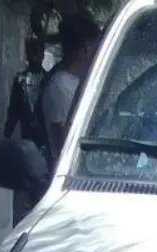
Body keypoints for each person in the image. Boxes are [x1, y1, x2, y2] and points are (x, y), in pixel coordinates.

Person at [40, 13, 103, 162]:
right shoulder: (60, 88)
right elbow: (64, 143)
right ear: (85, 49)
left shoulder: (82, 83)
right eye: (97, 47)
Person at [3, 37, 47, 146]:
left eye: (37, 52)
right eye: (31, 53)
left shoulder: (49, 80)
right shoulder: (20, 81)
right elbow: (13, 111)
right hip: (27, 136)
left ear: (43, 55)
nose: (34, 57)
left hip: (45, 136)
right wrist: (6, 135)